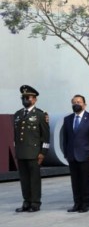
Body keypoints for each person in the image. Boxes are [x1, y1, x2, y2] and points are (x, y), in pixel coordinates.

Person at [62, 94, 89, 213]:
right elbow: (65, 138)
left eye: (79, 102)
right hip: (72, 156)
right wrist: (66, 153)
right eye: (74, 102)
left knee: (85, 181)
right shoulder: (68, 119)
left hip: (86, 155)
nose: (76, 104)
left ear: (84, 104)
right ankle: (77, 204)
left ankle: (85, 204)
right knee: (75, 181)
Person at [13, 85, 50, 213]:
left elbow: (46, 137)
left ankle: (35, 203)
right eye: (23, 98)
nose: (25, 100)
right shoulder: (18, 115)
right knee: (24, 179)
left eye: (27, 97)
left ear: (34, 99)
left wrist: (43, 153)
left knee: (34, 179)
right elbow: (16, 136)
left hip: (34, 153)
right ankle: (26, 201)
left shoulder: (40, 115)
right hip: (21, 152)